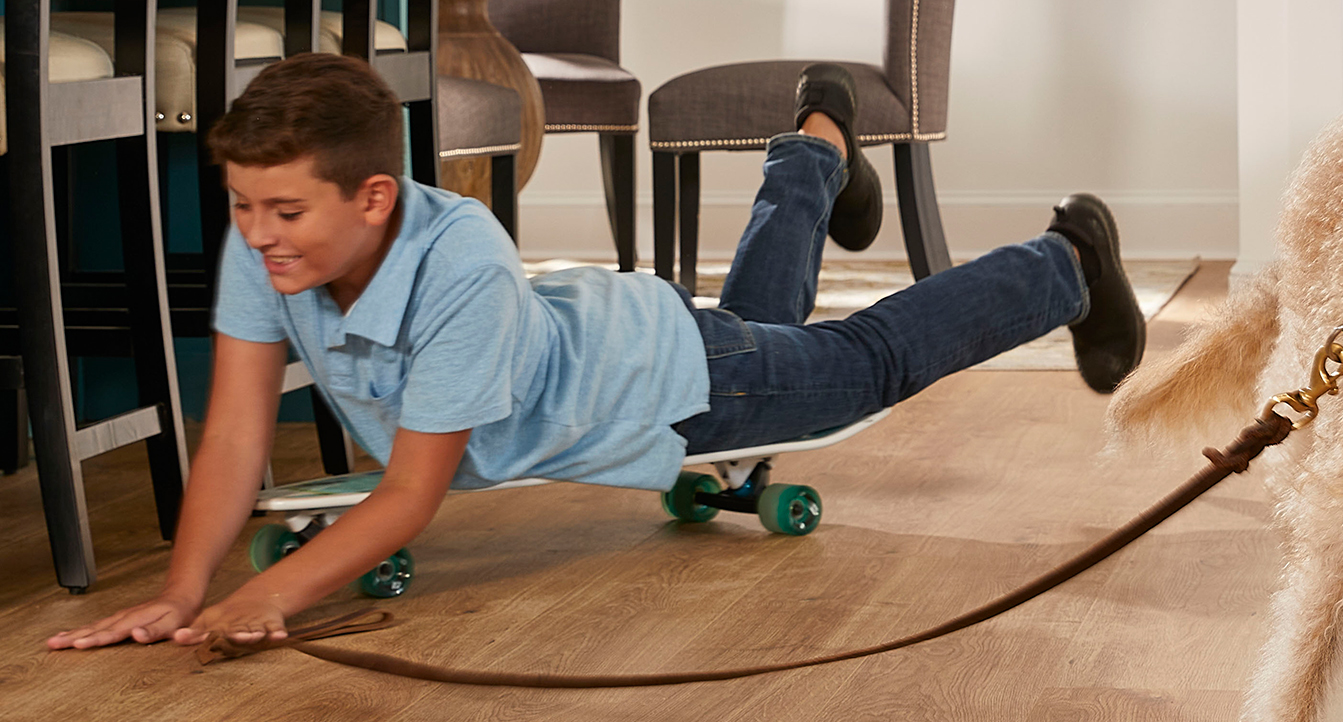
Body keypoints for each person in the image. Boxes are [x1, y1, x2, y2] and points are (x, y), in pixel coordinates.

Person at [47, 54, 1143, 652]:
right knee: (772, 328)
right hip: (624, 330)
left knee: (854, 365)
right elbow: (236, 426)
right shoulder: (274, 241)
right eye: (242, 207)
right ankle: (814, 148)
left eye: (281, 208)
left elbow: (414, 490)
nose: (257, 232)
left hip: (675, 389)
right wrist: (186, 591)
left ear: (373, 196)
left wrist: (275, 598)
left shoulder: (459, 263)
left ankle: (1063, 260)